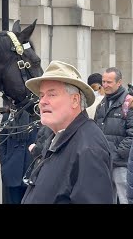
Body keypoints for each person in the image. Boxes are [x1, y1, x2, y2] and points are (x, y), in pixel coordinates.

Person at [21, 60, 115, 204]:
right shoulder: (58, 136)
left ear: (75, 100)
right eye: (41, 95)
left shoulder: (89, 148)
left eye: (51, 95)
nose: (42, 101)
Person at [94, 67, 133, 203]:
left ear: (119, 82)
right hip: (104, 163)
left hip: (122, 164)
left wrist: (116, 154)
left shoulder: (129, 103)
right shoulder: (102, 104)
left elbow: (132, 136)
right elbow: (94, 131)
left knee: (125, 199)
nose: (105, 85)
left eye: (109, 82)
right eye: (103, 81)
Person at [0, 101, 39, 204]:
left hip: (30, 168)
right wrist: (4, 161)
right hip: (11, 169)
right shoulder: (8, 117)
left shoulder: (36, 117)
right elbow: (2, 141)